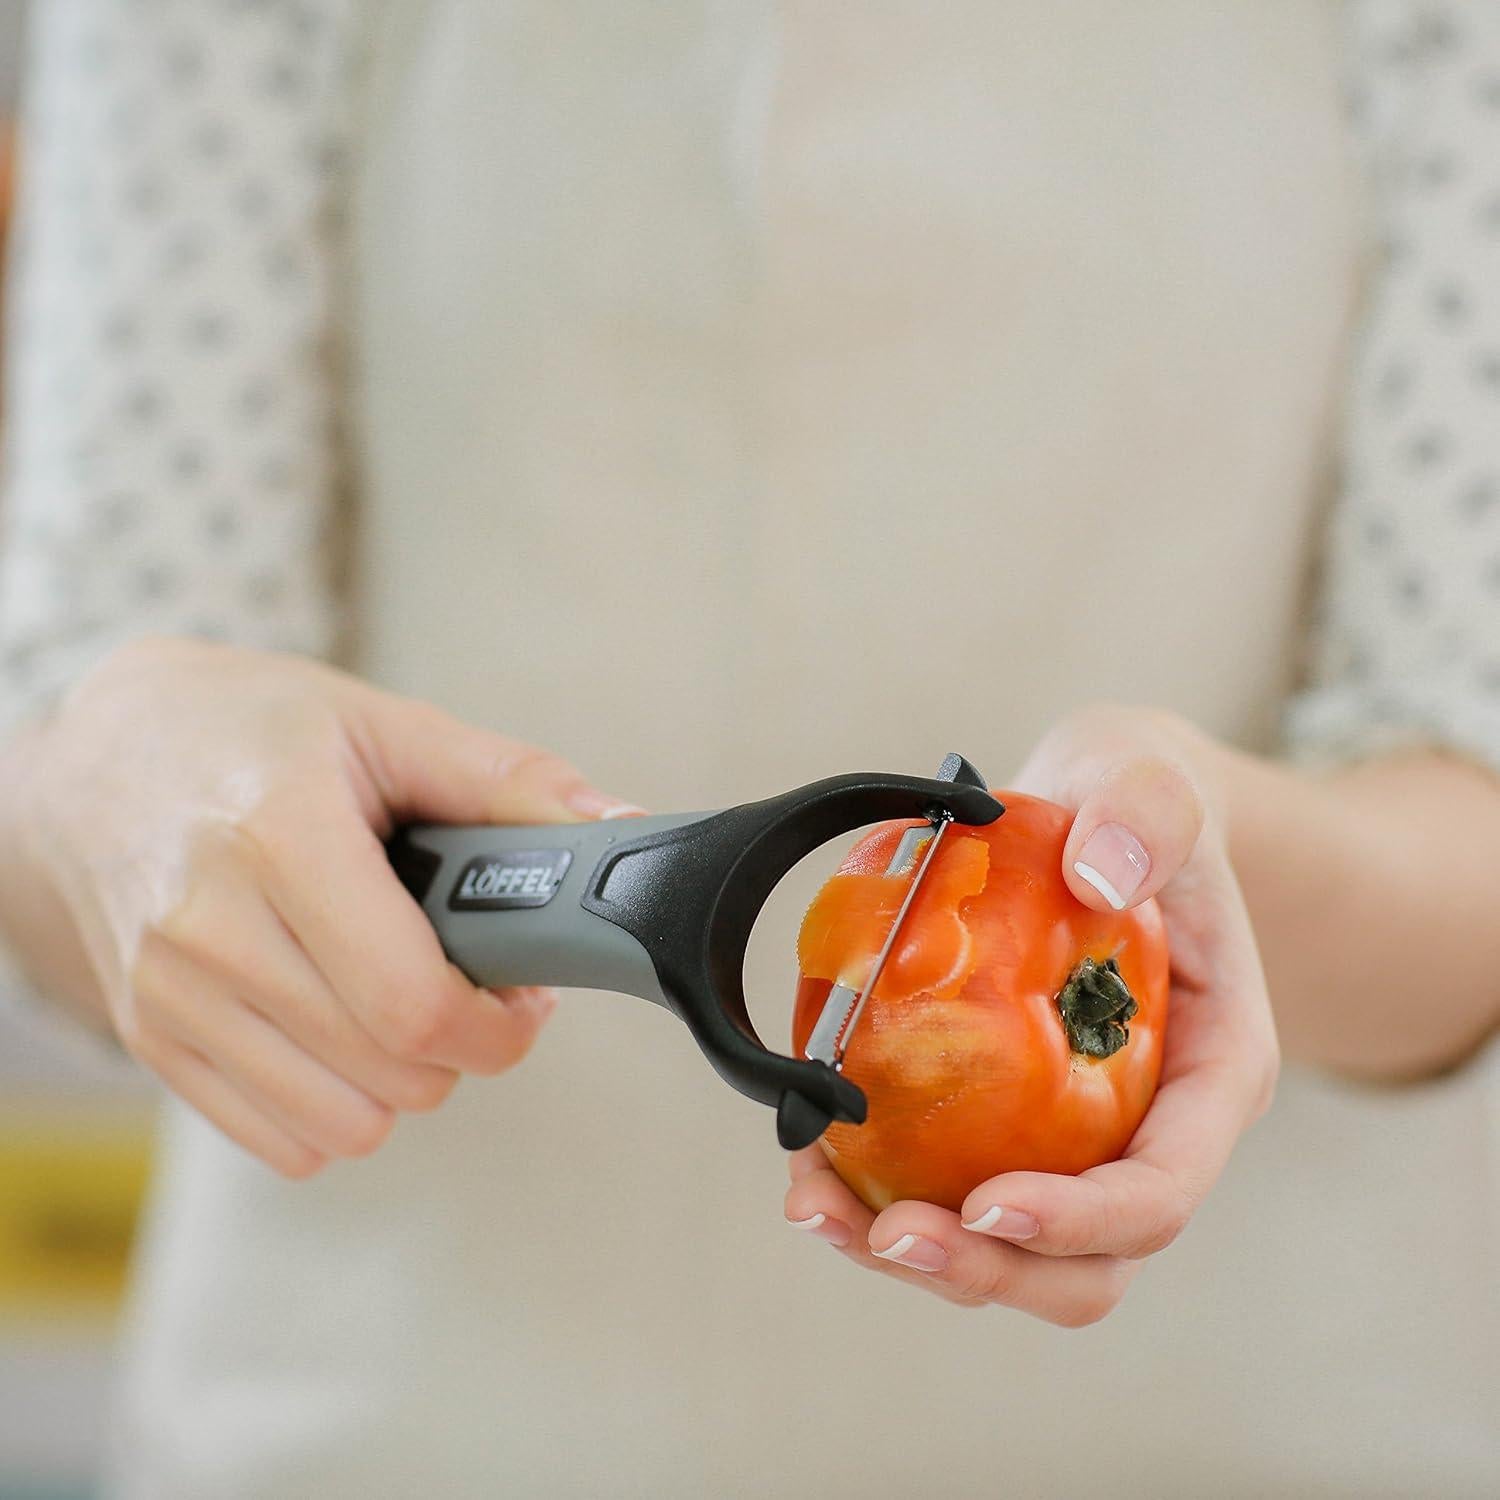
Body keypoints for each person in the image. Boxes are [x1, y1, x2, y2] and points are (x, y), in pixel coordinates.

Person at [0, 1, 1496, 1495]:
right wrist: (122, 768)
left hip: (1246, 1425)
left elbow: (1471, 802)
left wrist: (1198, 857)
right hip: (391, 1415)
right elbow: (74, 750)